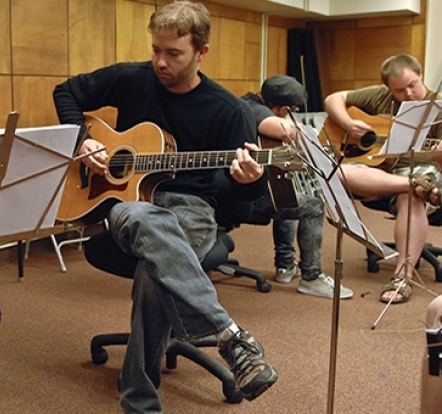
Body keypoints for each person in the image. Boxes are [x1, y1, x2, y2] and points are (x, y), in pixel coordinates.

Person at [53, 2, 278, 412]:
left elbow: (244, 204)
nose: (160, 61)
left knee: (153, 272)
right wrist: (82, 138)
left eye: (173, 54)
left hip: (190, 210)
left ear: (201, 52)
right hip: (128, 204)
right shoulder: (131, 78)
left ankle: (138, 399)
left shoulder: (230, 111)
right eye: (156, 49)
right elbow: (65, 92)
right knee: (137, 215)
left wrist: (252, 180)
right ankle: (229, 335)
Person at [324, 54, 442, 304]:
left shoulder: (438, 108)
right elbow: (333, 98)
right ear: (389, 88)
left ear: (421, 76)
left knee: (409, 197)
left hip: (424, 172)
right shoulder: (380, 96)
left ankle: (403, 277)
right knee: (340, 172)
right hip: (380, 172)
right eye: (399, 90)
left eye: (413, 85)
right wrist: (347, 123)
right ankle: (414, 187)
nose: (408, 93)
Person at [241, 75, 353, 299]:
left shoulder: (248, 102)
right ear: (283, 109)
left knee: (286, 193)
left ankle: (285, 266)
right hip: (241, 195)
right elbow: (285, 131)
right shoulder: (254, 111)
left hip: (240, 188)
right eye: (291, 109)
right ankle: (311, 277)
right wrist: (312, 137)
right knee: (312, 206)